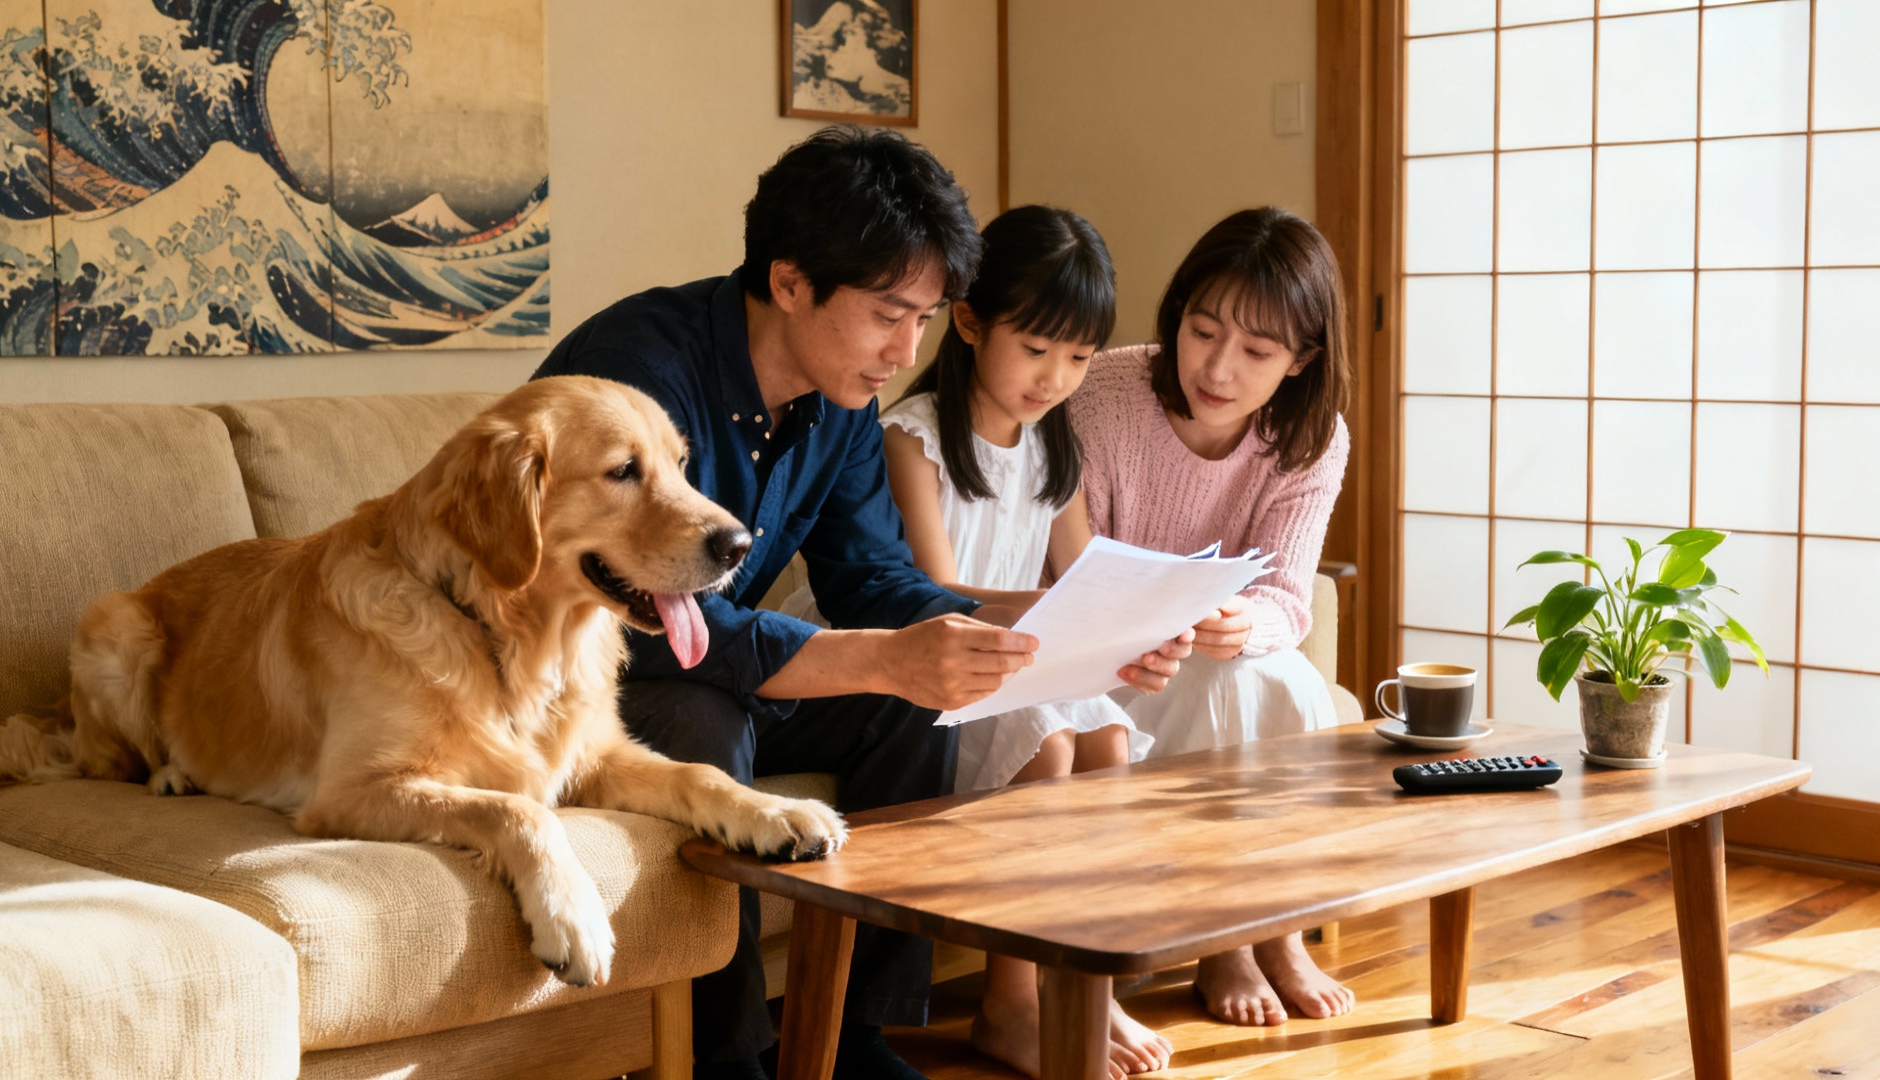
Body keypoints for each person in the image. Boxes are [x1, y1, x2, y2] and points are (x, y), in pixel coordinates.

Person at [532, 127, 1186, 1080]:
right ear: (791, 281)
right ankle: (728, 1060)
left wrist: (1053, 633)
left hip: (717, 656)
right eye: (889, 314)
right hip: (592, 669)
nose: (905, 350)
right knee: (704, 716)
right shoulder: (641, 377)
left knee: (909, 695)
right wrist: (880, 654)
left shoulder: (838, 402)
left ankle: (852, 1036)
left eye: (923, 318)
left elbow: (874, 578)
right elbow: (662, 617)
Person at [789, 205, 1171, 1077]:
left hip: (1002, 649)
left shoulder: (1052, 445)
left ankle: (1085, 991)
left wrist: (1138, 619)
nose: (1055, 378)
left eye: (1077, 357)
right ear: (968, 322)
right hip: (906, 648)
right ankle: (1009, 1006)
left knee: (1109, 736)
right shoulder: (913, 435)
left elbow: (1079, 577)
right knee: (1050, 742)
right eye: (1036, 349)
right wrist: (1059, 610)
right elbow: (931, 594)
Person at [1069, 207, 1356, 1028]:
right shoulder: (1104, 395)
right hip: (1112, 660)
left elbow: (1289, 598)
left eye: (1258, 352)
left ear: (1302, 359)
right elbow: (1065, 566)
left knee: (1271, 673)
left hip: (1211, 651)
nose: (1218, 368)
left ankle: (1273, 925)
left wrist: (1243, 621)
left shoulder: (1311, 436)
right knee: (1233, 685)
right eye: (1201, 331)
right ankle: (1230, 937)